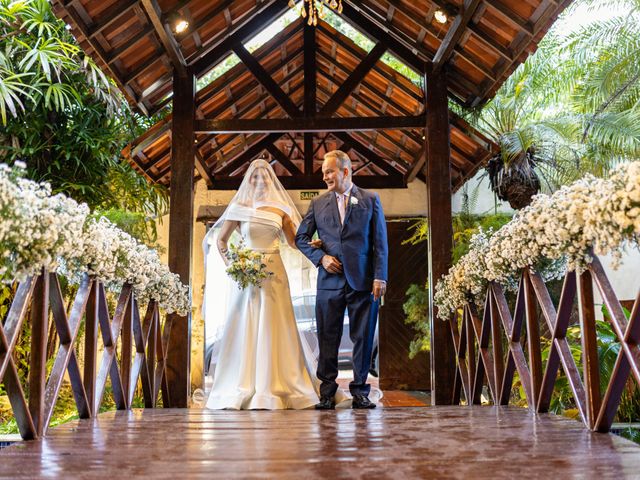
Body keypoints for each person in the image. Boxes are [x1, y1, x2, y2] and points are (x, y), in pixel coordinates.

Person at [203, 159, 324, 410]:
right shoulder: (239, 206)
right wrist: (234, 265)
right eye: (255, 178)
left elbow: (293, 242)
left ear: (271, 181)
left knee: (275, 323)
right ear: (249, 181)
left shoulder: (280, 209)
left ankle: (278, 383)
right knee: (247, 324)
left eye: (265, 178)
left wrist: (313, 244)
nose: (260, 182)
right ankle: (244, 385)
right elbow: (221, 242)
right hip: (247, 274)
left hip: (274, 271)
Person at [296, 150, 388, 410]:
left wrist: (380, 276)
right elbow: (300, 238)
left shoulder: (370, 200)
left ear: (345, 171)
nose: (324, 177)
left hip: (364, 281)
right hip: (329, 282)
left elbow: (380, 243)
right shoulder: (317, 204)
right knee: (328, 336)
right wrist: (321, 258)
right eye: (324, 172)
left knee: (363, 336)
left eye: (329, 172)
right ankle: (327, 393)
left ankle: (360, 391)